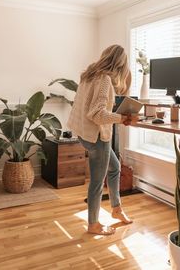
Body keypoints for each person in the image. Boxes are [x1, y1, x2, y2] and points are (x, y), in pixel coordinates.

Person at [67, 44, 138, 235]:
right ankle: (93, 224)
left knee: (114, 168)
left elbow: (87, 108)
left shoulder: (90, 74)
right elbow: (97, 113)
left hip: (83, 134)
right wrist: (122, 118)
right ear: (120, 63)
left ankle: (116, 209)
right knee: (97, 183)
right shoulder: (105, 79)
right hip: (97, 137)